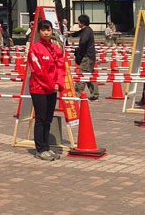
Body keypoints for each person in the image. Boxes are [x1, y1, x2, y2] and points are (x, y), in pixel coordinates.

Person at [27, 19, 65, 161]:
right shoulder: (35, 48)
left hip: (52, 89)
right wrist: (51, 85)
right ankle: (40, 148)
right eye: (43, 30)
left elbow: (61, 67)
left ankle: (47, 147)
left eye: (48, 29)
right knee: (41, 118)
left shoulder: (55, 48)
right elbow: (38, 71)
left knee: (48, 119)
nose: (46, 32)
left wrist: (58, 83)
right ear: (38, 32)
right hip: (38, 88)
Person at [70, 15, 99, 100]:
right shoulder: (87, 30)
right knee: (88, 75)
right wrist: (71, 34)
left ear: (82, 22)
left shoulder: (87, 31)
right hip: (90, 56)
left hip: (87, 56)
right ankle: (94, 94)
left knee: (81, 74)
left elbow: (83, 42)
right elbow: (79, 33)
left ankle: (77, 93)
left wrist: (79, 52)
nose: (78, 23)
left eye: (78, 22)